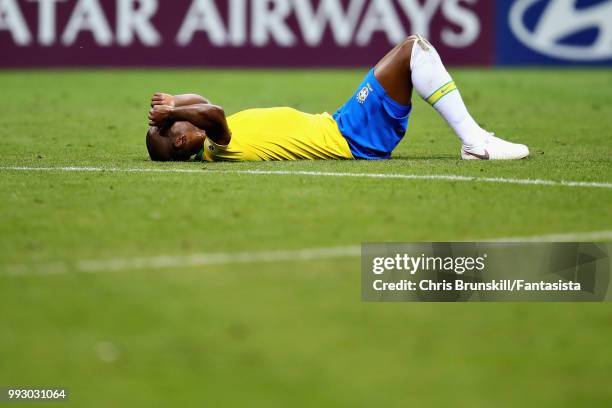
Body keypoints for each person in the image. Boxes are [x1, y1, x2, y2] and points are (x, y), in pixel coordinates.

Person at [146, 35, 529, 162]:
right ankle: (475, 143)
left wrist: (171, 101)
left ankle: (475, 138)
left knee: (414, 50)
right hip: (351, 137)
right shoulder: (219, 145)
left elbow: (202, 101)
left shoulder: (208, 138)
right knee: (414, 49)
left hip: (344, 125)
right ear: (183, 140)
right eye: (182, 124)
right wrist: (176, 110)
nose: (189, 116)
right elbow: (212, 110)